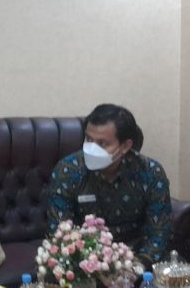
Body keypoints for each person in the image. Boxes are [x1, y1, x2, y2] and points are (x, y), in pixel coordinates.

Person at [46, 104, 173, 278]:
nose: (92, 149)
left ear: (125, 146)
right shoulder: (68, 170)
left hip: (137, 254)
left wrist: (136, 266)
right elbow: (60, 231)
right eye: (88, 139)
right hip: (85, 257)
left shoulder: (150, 172)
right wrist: (93, 266)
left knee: (175, 273)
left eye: (102, 143)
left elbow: (159, 231)